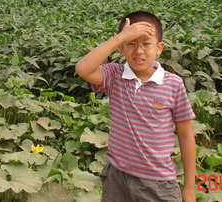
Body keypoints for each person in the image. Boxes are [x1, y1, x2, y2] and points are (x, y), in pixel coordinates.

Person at [75, 11, 196, 202]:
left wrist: (189, 188)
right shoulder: (114, 76)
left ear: (159, 48)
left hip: (158, 183)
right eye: (131, 43)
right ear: (121, 49)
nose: (138, 51)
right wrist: (120, 37)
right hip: (117, 178)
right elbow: (83, 69)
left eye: (146, 44)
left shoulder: (173, 84)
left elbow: (186, 134)